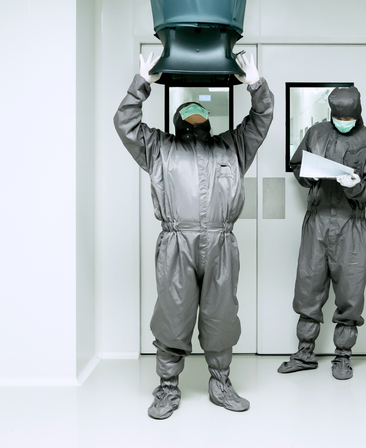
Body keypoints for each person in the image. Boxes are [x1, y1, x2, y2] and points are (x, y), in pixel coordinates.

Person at [114, 51, 273, 420]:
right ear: (177, 121)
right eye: (189, 115)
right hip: (176, 244)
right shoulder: (159, 149)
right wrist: (142, 84)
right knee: (172, 314)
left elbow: (261, 120)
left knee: (221, 315)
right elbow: (126, 125)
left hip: (221, 242)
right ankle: (167, 388)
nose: (196, 119)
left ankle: (220, 383)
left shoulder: (232, 147)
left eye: (201, 115)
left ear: (210, 122)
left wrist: (255, 85)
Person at [277, 86, 366, 380]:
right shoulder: (316, 132)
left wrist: (355, 186)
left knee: (350, 291)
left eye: (347, 117)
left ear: (358, 113)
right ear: (331, 113)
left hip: (351, 222)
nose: (342, 121)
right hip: (317, 220)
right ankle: (304, 353)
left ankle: (343, 357)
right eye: (337, 116)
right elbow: (298, 164)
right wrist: (307, 174)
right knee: (308, 286)